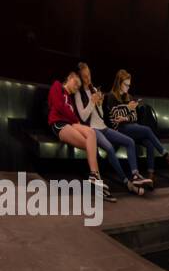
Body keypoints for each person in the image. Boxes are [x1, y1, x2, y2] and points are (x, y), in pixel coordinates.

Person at [47, 71, 131, 201]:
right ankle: (99, 183)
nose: (76, 87)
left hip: (71, 123)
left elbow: (73, 116)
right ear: (69, 78)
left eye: (78, 86)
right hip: (59, 124)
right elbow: (59, 106)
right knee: (90, 144)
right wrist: (76, 121)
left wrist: (79, 123)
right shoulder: (57, 85)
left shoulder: (70, 98)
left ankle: (95, 177)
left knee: (91, 133)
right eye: (75, 83)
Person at [74, 62, 153, 193]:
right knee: (110, 148)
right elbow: (83, 117)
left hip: (103, 127)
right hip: (93, 130)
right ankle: (126, 182)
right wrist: (92, 102)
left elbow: (101, 115)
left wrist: (99, 103)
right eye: (84, 76)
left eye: (89, 75)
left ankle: (135, 175)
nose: (88, 78)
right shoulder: (78, 94)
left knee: (130, 142)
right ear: (80, 78)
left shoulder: (95, 90)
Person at [103, 70, 169, 174]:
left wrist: (126, 118)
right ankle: (168, 157)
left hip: (131, 127)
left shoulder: (129, 97)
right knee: (147, 130)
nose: (128, 87)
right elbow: (115, 118)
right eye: (126, 85)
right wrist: (128, 109)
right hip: (119, 129)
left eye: (129, 85)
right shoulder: (111, 96)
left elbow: (134, 117)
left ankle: (151, 174)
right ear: (119, 83)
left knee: (149, 143)